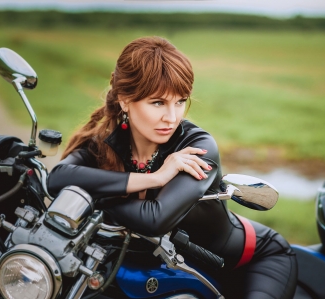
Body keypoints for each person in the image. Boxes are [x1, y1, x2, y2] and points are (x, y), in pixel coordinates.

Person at [47, 36, 297, 299]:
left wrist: (92, 196)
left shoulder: (196, 147)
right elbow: (58, 179)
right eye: (158, 103)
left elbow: (154, 219)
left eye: (179, 101)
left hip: (250, 263)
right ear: (124, 100)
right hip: (171, 270)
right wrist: (154, 179)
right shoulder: (103, 142)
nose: (172, 117)